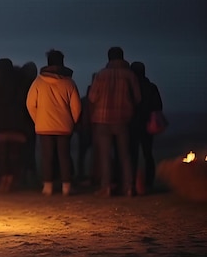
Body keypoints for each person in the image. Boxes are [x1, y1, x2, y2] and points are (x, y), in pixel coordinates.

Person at [26, 50, 81, 196]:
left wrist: (38, 120)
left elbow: (30, 104)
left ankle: (48, 187)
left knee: (47, 156)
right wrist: (71, 122)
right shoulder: (69, 83)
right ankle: (66, 187)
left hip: (44, 126)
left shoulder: (38, 82)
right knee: (64, 156)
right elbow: (76, 107)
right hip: (64, 126)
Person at [89, 47, 141, 197]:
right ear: (123, 57)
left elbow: (92, 97)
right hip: (123, 119)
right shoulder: (130, 75)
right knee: (125, 154)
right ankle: (129, 187)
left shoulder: (101, 75)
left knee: (105, 155)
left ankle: (106, 187)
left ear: (109, 58)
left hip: (102, 119)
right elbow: (137, 98)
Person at [0, 58, 29, 193]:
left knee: (4, 154)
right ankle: (11, 179)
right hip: (16, 125)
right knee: (13, 154)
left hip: (2, 124)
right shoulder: (19, 81)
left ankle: (5, 180)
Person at [129, 61, 163, 194]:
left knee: (133, 155)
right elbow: (158, 106)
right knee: (148, 154)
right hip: (148, 124)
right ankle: (149, 182)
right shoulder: (151, 87)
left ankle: (133, 183)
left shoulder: (131, 87)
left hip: (133, 124)